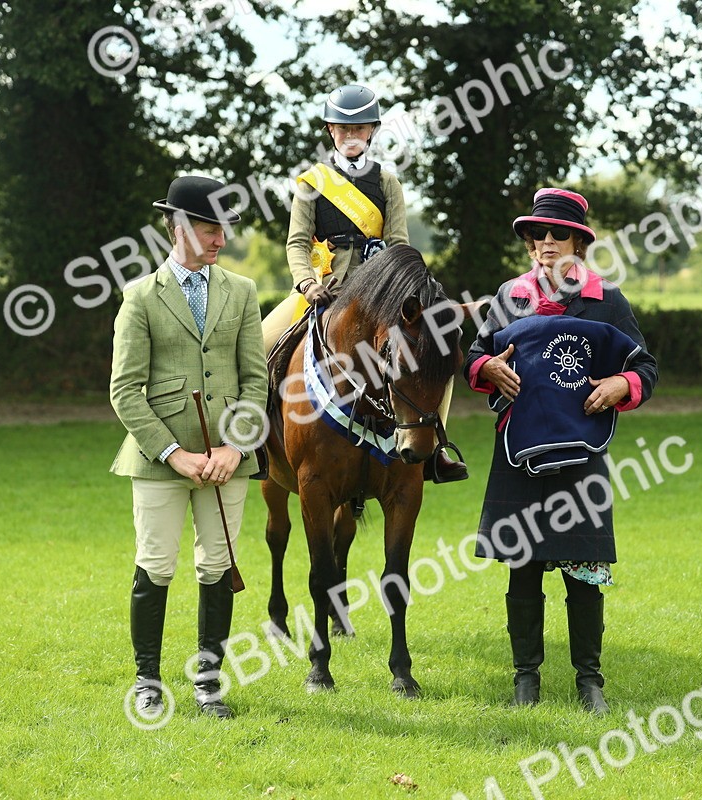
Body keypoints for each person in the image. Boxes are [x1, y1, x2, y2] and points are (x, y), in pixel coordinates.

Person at [464, 188, 658, 713]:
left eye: (558, 234)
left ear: (579, 242)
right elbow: (474, 356)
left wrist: (621, 386)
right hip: (519, 452)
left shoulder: (607, 300)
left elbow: (645, 367)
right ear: (529, 244)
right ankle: (526, 680)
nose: (547, 243)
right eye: (538, 235)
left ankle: (589, 683)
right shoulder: (509, 296)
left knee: (584, 571)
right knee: (522, 568)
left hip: (582, 451)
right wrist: (487, 369)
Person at [110, 175, 268, 720]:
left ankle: (208, 682)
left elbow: (256, 381)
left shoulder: (243, 292)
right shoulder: (139, 297)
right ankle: (148, 680)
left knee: (218, 564)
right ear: (175, 227)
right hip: (160, 460)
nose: (219, 238)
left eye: (224, 228)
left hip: (228, 459)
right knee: (155, 564)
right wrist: (173, 454)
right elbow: (124, 389)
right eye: (207, 227)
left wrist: (232, 449)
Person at [261, 83, 467, 483]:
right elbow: (297, 242)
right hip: (322, 289)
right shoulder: (311, 183)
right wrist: (306, 283)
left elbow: (400, 245)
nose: (351, 136)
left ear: (372, 131)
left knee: (433, 350)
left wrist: (401, 291)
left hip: (380, 300)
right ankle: (250, 445)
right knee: (261, 343)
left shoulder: (388, 183)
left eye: (360, 129)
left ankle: (436, 450)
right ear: (330, 131)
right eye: (343, 129)